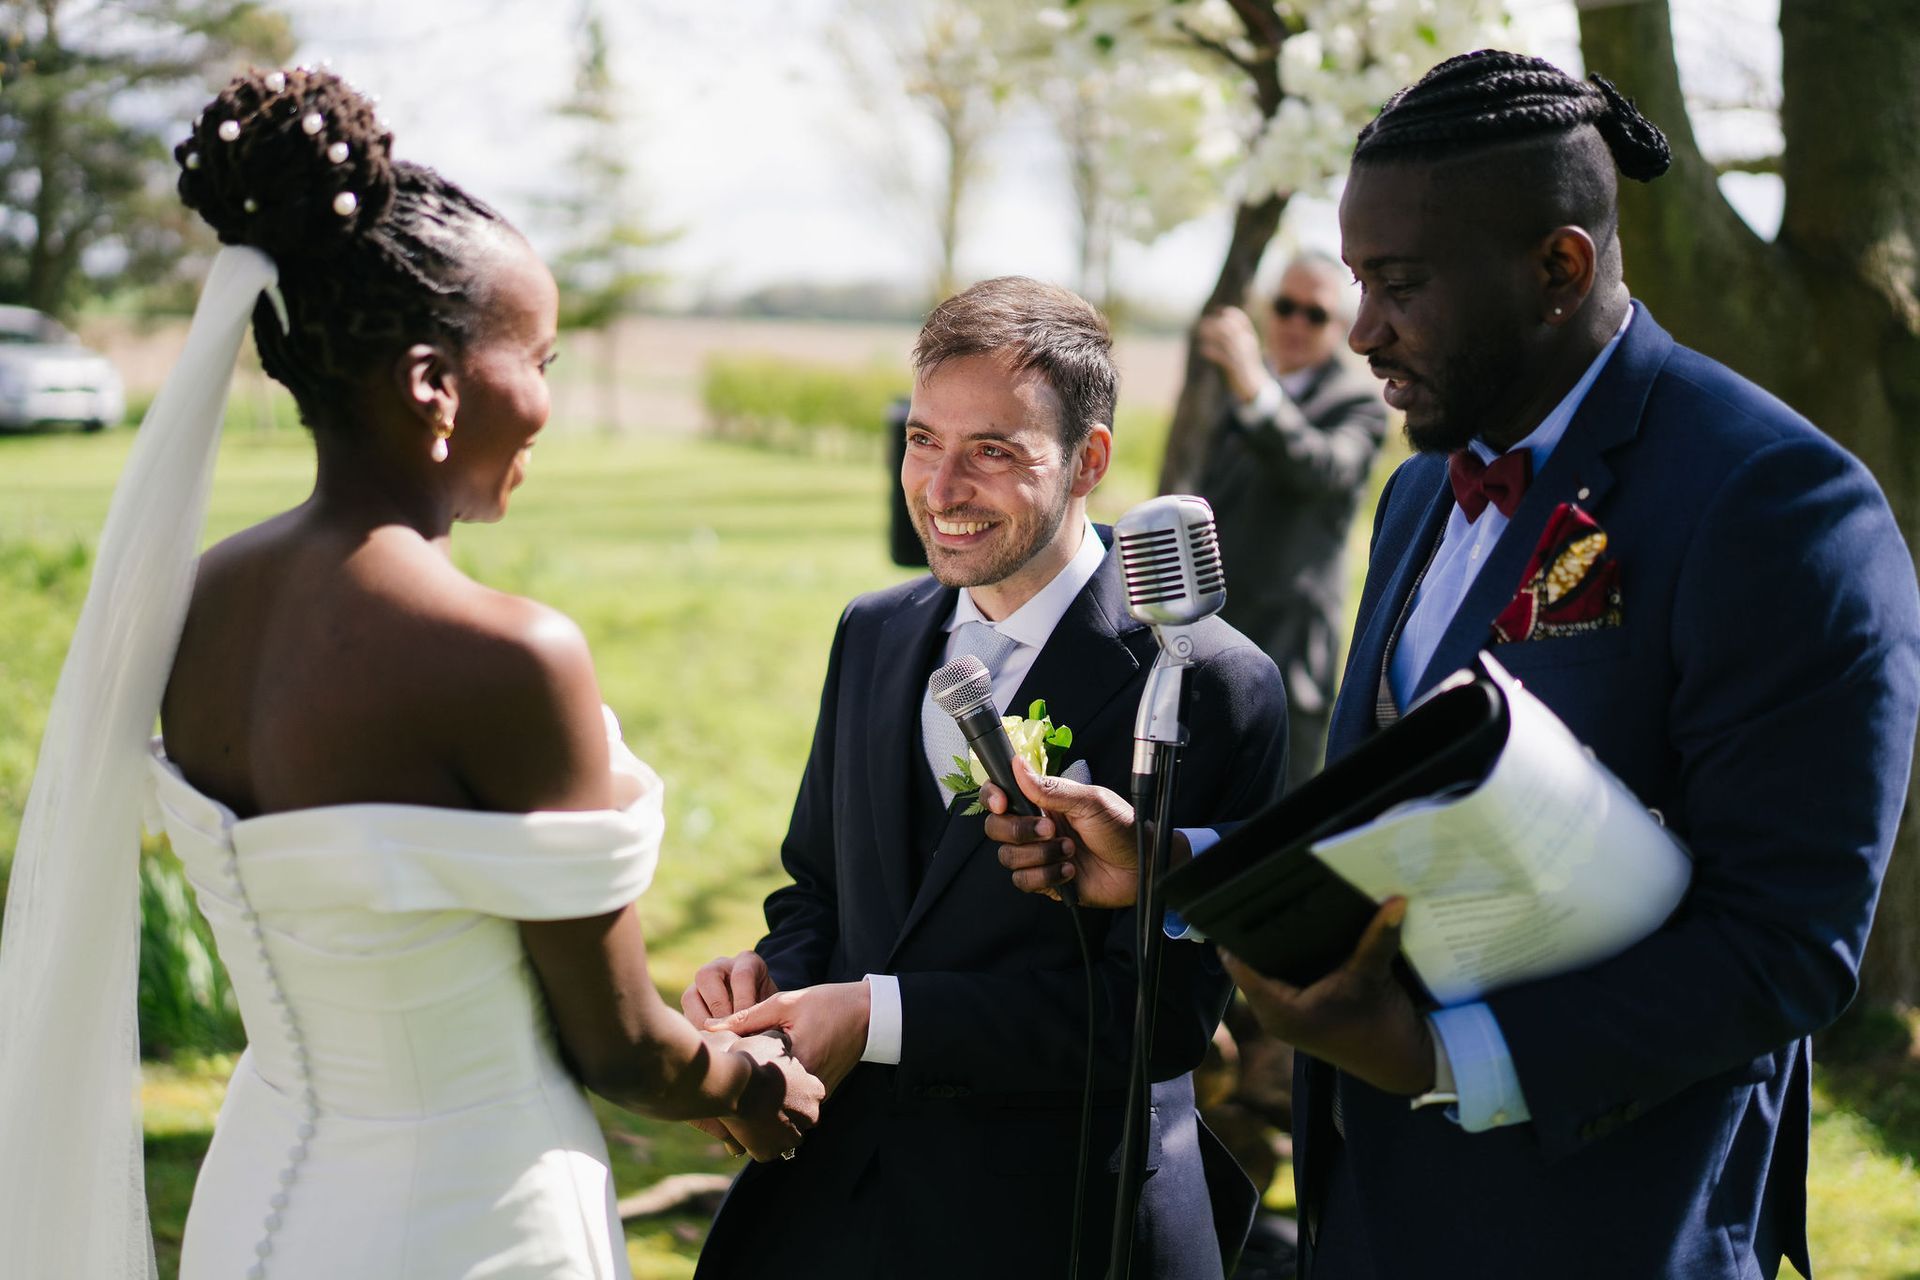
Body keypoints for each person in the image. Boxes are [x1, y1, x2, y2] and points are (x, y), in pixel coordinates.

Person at [985, 49, 1920, 1280]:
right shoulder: (1421, 490)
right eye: (1358, 281)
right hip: (1370, 1211)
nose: (1362, 329)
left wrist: (1441, 1058)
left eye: (1401, 284)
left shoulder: (1778, 504)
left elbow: (1786, 945)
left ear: (1558, 268)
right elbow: (1389, 815)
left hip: (1611, 1224)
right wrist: (1173, 862)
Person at [0, 68, 823, 1280]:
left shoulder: (198, 601)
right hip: (472, 1216)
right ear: (435, 384)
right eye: (534, 357)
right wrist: (754, 1080)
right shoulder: (504, 655)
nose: (543, 401)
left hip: (258, 1198)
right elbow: (620, 1046)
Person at [681, 277, 1291, 1279]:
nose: (940, 485)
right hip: (839, 1204)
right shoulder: (873, 632)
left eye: (993, 451)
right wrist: (771, 997)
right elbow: (819, 889)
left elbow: (1163, 1015)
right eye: (924, 439)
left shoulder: (1210, 680)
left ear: (1089, 460)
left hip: (1063, 1219)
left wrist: (876, 1016)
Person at [1193, 253, 1389, 791]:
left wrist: (1256, 390)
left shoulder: (1358, 405)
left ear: (1340, 326)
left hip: (1289, 654)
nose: (1296, 324)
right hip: (1212, 634)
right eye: (1285, 307)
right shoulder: (1230, 390)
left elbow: (1320, 469)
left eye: (1315, 313)